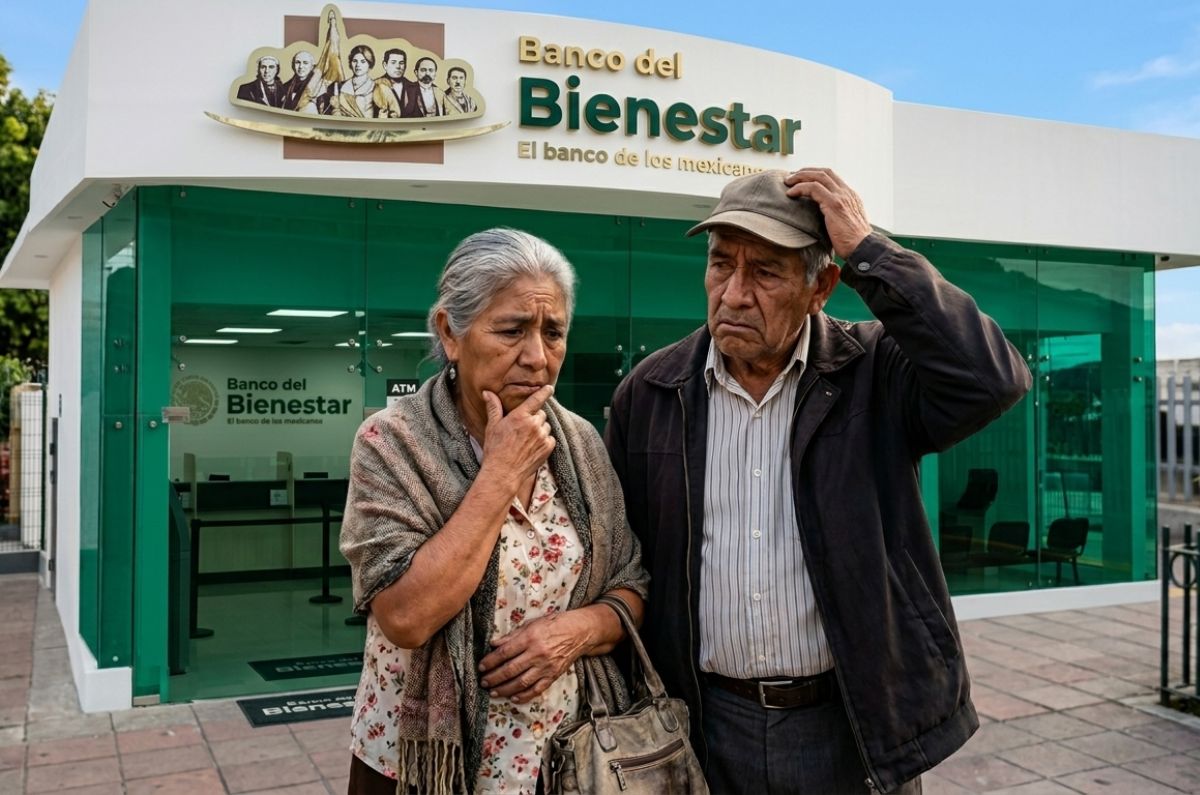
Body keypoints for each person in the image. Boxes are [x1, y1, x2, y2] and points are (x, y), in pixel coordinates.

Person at [604, 168, 1032, 794]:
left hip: (849, 727)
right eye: (722, 265)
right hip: (702, 726)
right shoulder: (653, 390)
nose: (734, 294)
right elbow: (624, 557)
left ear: (822, 286)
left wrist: (868, 249)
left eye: (767, 272)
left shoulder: (875, 372)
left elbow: (992, 379)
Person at [340, 228, 649, 795]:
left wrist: (577, 631)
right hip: (423, 764)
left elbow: (631, 583)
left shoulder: (579, 443)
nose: (536, 357)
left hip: (564, 757)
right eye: (511, 330)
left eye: (552, 332)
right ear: (449, 334)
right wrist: (500, 473)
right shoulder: (393, 441)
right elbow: (405, 618)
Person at [330, 44, 402, 118]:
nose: (358, 65)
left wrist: (384, 118)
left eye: (363, 61)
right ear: (351, 63)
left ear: (369, 64)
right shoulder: (340, 87)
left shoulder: (379, 87)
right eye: (355, 61)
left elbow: (396, 113)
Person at [378, 47, 417, 115]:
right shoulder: (375, 85)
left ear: (405, 66)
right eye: (393, 63)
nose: (398, 66)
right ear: (385, 65)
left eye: (401, 63)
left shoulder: (413, 86)